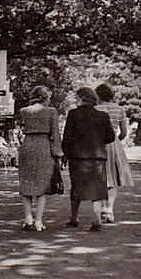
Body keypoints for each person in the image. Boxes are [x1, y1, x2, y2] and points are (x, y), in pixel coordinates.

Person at [62, 86, 115, 231]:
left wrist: (66, 154)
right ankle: (96, 219)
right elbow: (111, 136)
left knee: (76, 188)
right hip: (97, 157)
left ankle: (74, 218)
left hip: (78, 157)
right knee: (97, 189)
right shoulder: (103, 116)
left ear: (81, 98)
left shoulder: (73, 114)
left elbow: (67, 138)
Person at [15, 86, 62, 231]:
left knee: (26, 183)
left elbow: (19, 132)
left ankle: (28, 217)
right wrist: (58, 153)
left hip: (27, 146)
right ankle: (38, 221)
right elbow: (55, 134)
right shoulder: (51, 112)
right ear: (45, 97)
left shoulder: (24, 111)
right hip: (44, 146)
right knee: (42, 185)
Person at [95, 83, 134, 223]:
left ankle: (101, 208)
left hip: (97, 143)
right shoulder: (119, 109)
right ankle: (109, 208)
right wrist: (117, 140)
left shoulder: (95, 109)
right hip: (113, 143)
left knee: (100, 176)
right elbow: (124, 132)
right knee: (113, 176)